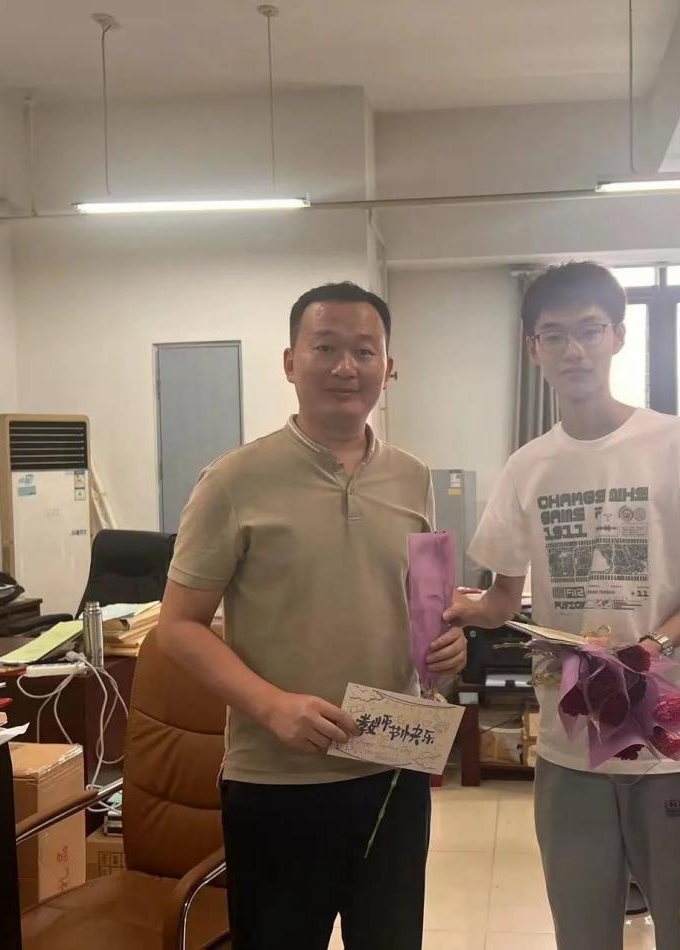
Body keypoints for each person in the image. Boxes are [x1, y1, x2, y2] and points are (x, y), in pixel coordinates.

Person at [445, 262, 680, 950]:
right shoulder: (528, 466)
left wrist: (650, 649)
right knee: (582, 933)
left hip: (672, 742)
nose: (574, 350)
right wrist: (449, 610)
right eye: (554, 336)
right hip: (571, 744)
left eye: (589, 331)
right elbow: (502, 598)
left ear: (617, 336)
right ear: (534, 349)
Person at [158, 281, 468, 950]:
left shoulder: (413, 477)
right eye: (325, 348)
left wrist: (447, 644)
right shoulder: (233, 480)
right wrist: (271, 706)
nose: (345, 367)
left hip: (392, 770)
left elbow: (419, 602)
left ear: (388, 368)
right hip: (278, 779)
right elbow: (177, 627)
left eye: (365, 351)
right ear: (290, 362)